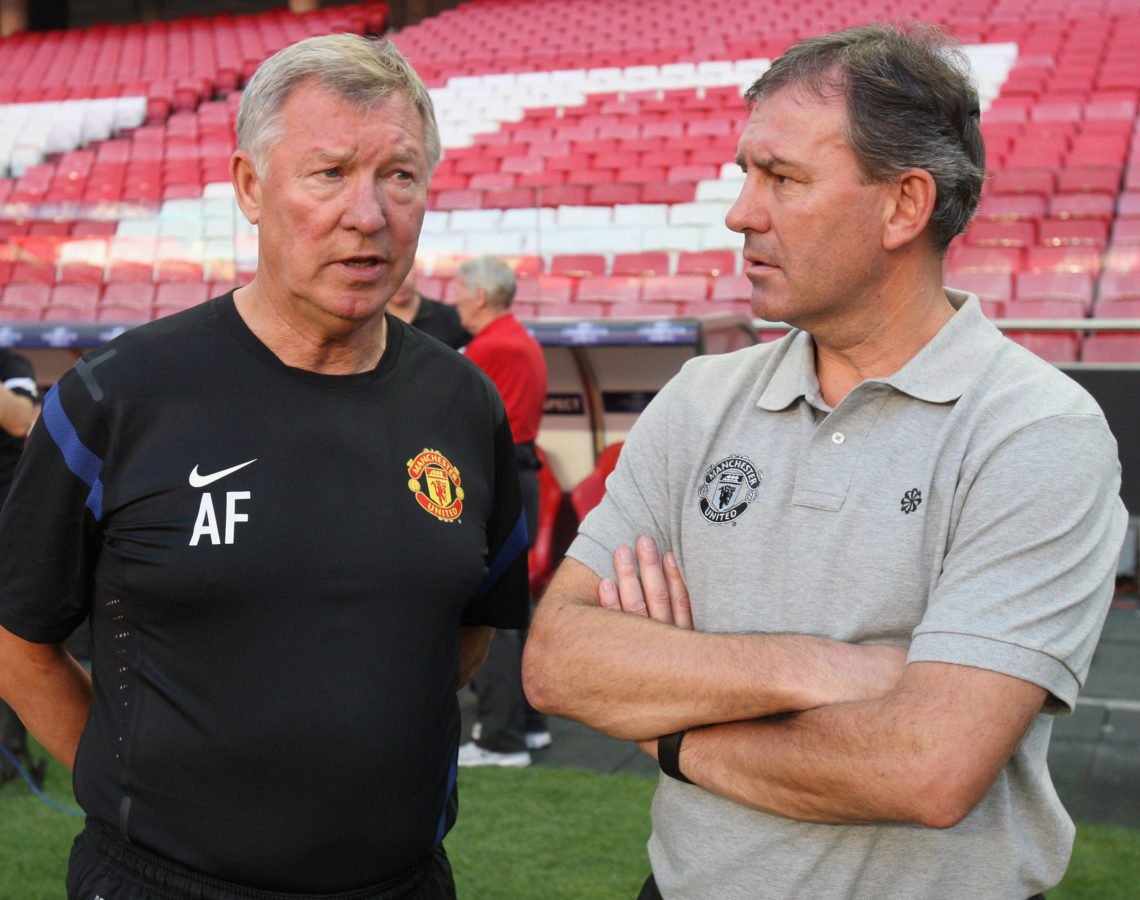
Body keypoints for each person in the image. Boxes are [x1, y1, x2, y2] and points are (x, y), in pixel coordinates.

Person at [523, 23, 1126, 900]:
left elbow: (926, 769)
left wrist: (672, 723)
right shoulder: (699, 401)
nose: (740, 212)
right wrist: (820, 668)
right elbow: (559, 662)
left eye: (783, 178)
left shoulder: (1035, 430)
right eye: (744, 174)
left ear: (903, 207)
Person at [0, 34, 529, 900]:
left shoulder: (463, 405)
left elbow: (468, 628)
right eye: (328, 173)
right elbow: (18, 645)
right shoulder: (118, 398)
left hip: (401, 883)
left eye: (399, 175)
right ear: (250, 186)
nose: (369, 214)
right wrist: (143, 786)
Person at [451, 255, 551, 767]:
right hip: (522, 476)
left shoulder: (488, 348)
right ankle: (528, 724)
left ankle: (500, 737)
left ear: (481, 296)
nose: (454, 299)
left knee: (493, 609)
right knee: (514, 606)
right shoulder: (525, 342)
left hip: (497, 481)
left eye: (459, 290)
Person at [0, 348, 44, 790]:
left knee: (12, 644)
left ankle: (9, 753)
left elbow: (20, 419)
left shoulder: (10, 365)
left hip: (7, 529)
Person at [388, 263, 471, 349]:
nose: (401, 281)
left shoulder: (451, 317)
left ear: (415, 270)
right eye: (391, 273)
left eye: (406, 270)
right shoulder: (374, 321)